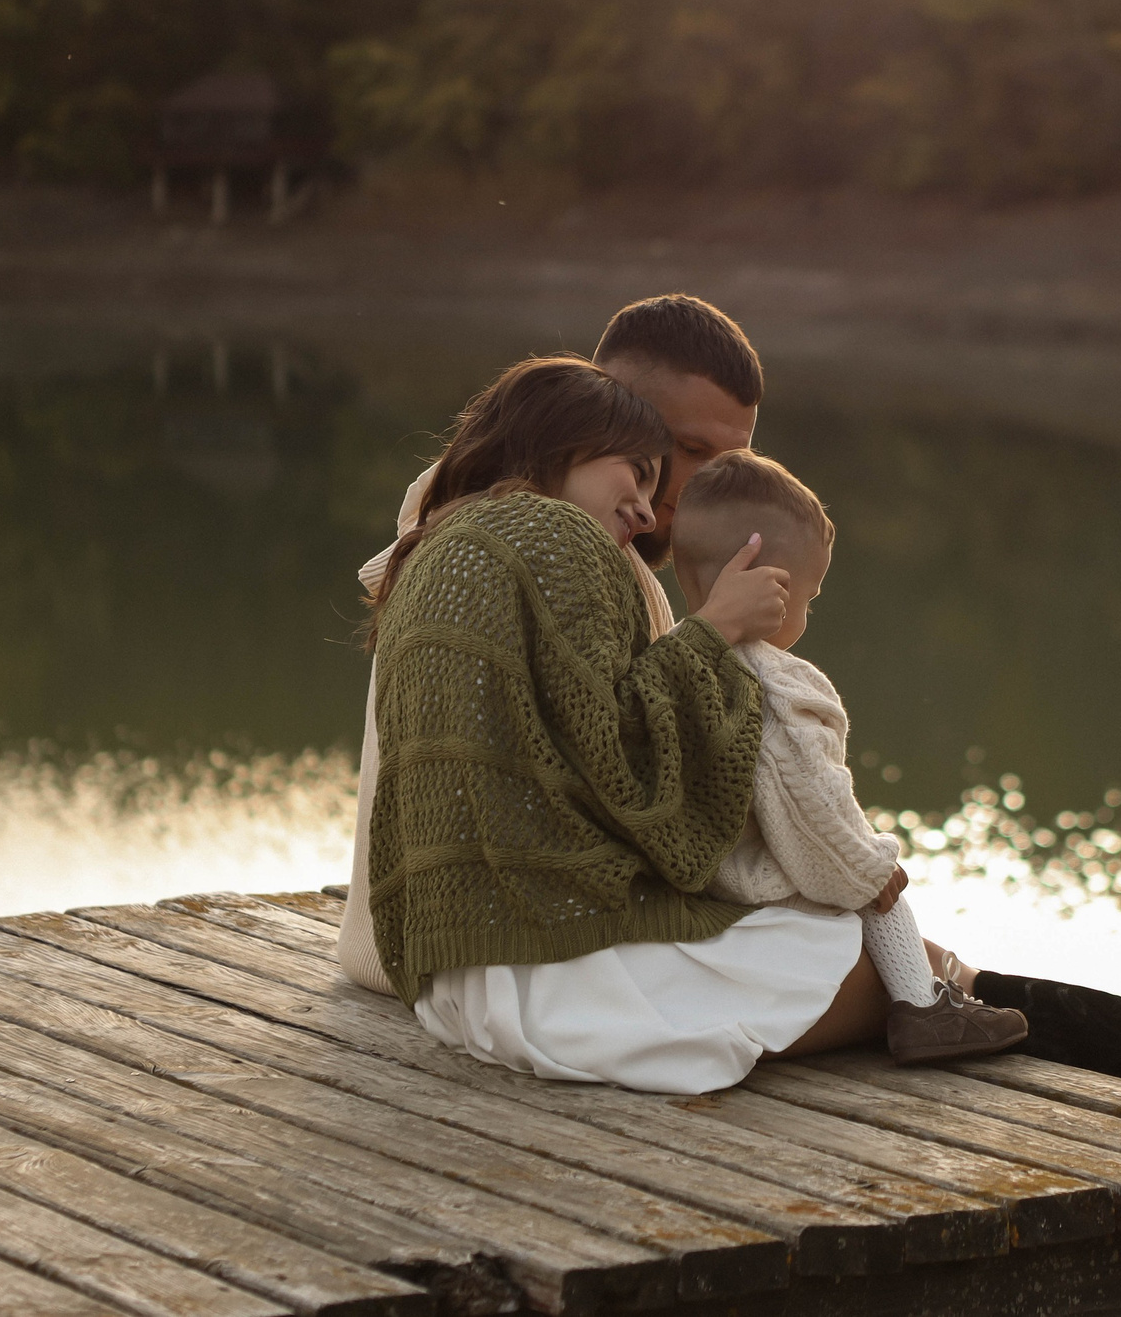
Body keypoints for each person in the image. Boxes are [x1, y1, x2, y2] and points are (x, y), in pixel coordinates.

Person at [335, 354, 877, 1091]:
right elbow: (620, 754)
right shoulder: (561, 536)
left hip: (451, 976)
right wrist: (713, 631)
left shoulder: (436, 546)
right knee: (879, 966)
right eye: (639, 470)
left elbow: (563, 739)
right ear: (567, 441)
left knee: (848, 954)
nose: (651, 511)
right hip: (555, 969)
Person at [668, 449, 1029, 1065]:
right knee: (881, 890)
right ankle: (923, 1009)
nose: (807, 615)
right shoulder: (781, 685)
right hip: (765, 888)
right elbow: (811, 802)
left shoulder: (674, 662)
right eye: (808, 597)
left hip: (705, 885)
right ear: (771, 588)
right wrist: (868, 867)